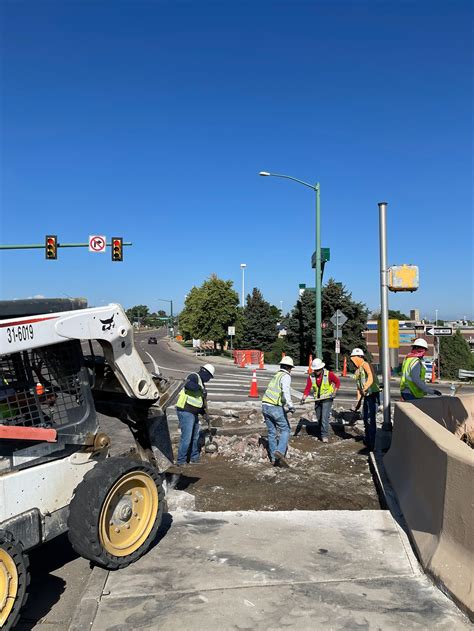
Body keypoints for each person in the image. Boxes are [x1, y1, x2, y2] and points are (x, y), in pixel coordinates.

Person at [175, 363, 215, 465]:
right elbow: (188, 385)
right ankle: (181, 461)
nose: (209, 380)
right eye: (209, 377)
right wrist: (201, 389)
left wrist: (204, 413)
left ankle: (194, 458)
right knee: (187, 437)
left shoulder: (202, 383)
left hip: (194, 413)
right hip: (185, 410)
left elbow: (199, 402)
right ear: (205, 373)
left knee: (195, 436)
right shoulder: (194, 376)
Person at [261, 356, 295, 467]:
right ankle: (279, 452)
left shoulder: (277, 375)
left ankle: (273, 458)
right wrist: (290, 405)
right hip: (274, 407)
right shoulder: (286, 376)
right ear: (289, 367)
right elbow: (285, 391)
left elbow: (277, 393)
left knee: (272, 432)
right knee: (286, 429)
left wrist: (284, 403)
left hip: (265, 405)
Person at [300, 358, 340, 443]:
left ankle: (324, 435)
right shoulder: (311, 376)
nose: (316, 372)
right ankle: (321, 431)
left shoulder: (329, 374)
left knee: (324, 417)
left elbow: (337, 382)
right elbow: (307, 388)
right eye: (315, 370)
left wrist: (334, 392)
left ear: (321, 368)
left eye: (318, 370)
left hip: (327, 398)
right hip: (318, 399)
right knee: (319, 417)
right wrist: (304, 398)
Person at [350, 348, 380, 451]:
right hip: (366, 396)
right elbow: (358, 388)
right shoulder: (358, 371)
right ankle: (368, 440)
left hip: (372, 395)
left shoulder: (366, 365)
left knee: (370, 419)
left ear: (359, 357)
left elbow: (371, 378)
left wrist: (365, 387)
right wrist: (358, 403)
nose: (353, 361)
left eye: (354, 358)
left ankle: (372, 443)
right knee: (365, 418)